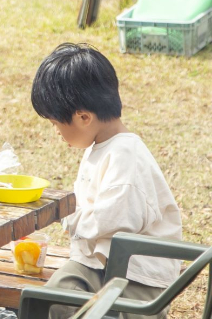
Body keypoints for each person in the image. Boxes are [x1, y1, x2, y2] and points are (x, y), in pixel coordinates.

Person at [31, 43, 182, 319]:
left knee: (82, 311)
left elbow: (112, 222)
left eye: (55, 123)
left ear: (84, 117)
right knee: (47, 301)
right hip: (99, 265)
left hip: (136, 279)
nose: (55, 132)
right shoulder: (100, 144)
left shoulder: (126, 155)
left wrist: (65, 216)